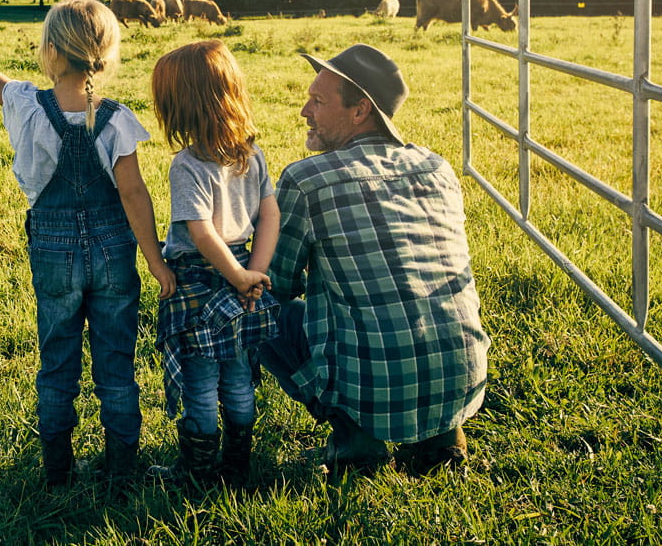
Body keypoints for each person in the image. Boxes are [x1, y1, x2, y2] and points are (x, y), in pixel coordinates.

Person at [0, 0, 175, 487]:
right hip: (113, 252)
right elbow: (133, 192)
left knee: (57, 361)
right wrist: (156, 261)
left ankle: (58, 471)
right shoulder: (116, 118)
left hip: (53, 252)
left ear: (51, 51)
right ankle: (122, 471)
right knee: (117, 366)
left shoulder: (25, 104)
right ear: (106, 52)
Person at [260, 43, 489, 476]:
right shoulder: (436, 167)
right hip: (464, 381)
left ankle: (355, 438)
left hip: (376, 391)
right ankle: (441, 439)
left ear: (360, 110)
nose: (304, 111)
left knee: (254, 305)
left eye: (318, 101)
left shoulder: (307, 179)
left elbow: (277, 282)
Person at [146, 40, 278, 488]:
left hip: (201, 281)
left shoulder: (187, 165)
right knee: (239, 374)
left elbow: (201, 235)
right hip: (243, 273)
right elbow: (270, 214)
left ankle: (198, 472)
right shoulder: (251, 154)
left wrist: (239, 276)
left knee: (201, 381)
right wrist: (251, 273)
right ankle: (238, 467)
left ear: (181, 106)